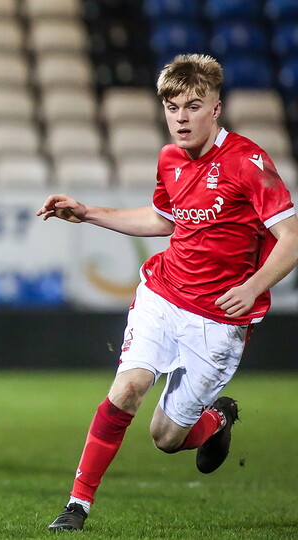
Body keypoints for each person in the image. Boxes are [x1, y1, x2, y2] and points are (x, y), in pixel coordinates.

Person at [38, 53, 298, 532]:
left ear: (216, 108)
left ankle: (216, 421)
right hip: (163, 293)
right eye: (172, 106)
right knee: (128, 389)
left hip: (220, 319)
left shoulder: (248, 161)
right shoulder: (170, 158)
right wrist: (88, 211)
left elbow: (292, 237)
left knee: (165, 437)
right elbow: (164, 220)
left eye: (193, 106)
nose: (181, 117)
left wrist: (253, 285)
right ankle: (77, 505)